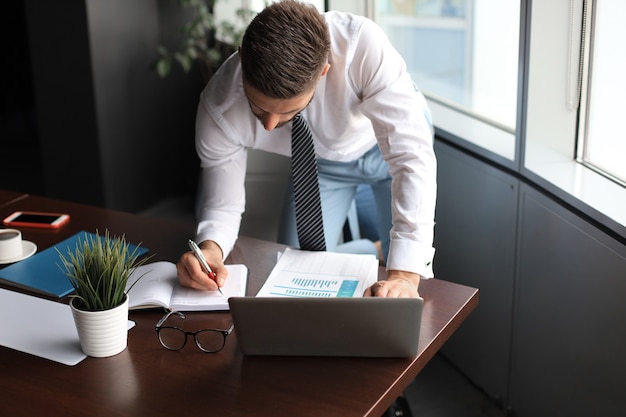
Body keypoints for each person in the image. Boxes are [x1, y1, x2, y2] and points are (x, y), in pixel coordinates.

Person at [176, 0, 436, 298]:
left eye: (288, 113)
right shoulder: (218, 109)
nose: (271, 126)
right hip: (321, 163)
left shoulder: (361, 46)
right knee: (299, 272)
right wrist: (211, 248)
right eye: (259, 108)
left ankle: (383, 252)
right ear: (243, 60)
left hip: (387, 152)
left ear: (323, 72)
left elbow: (410, 160)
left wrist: (403, 275)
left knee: (405, 273)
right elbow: (221, 205)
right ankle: (369, 249)